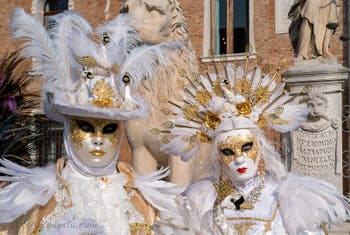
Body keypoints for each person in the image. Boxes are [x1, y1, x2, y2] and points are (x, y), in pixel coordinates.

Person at [0, 8, 182, 234]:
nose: (98, 140)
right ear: (68, 128)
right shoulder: (36, 199)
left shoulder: (142, 199)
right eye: (85, 127)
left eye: (109, 129)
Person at [158, 57, 350, 234]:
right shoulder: (200, 199)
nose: (239, 158)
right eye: (228, 151)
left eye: (247, 147)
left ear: (261, 147)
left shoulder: (290, 197)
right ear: (217, 156)